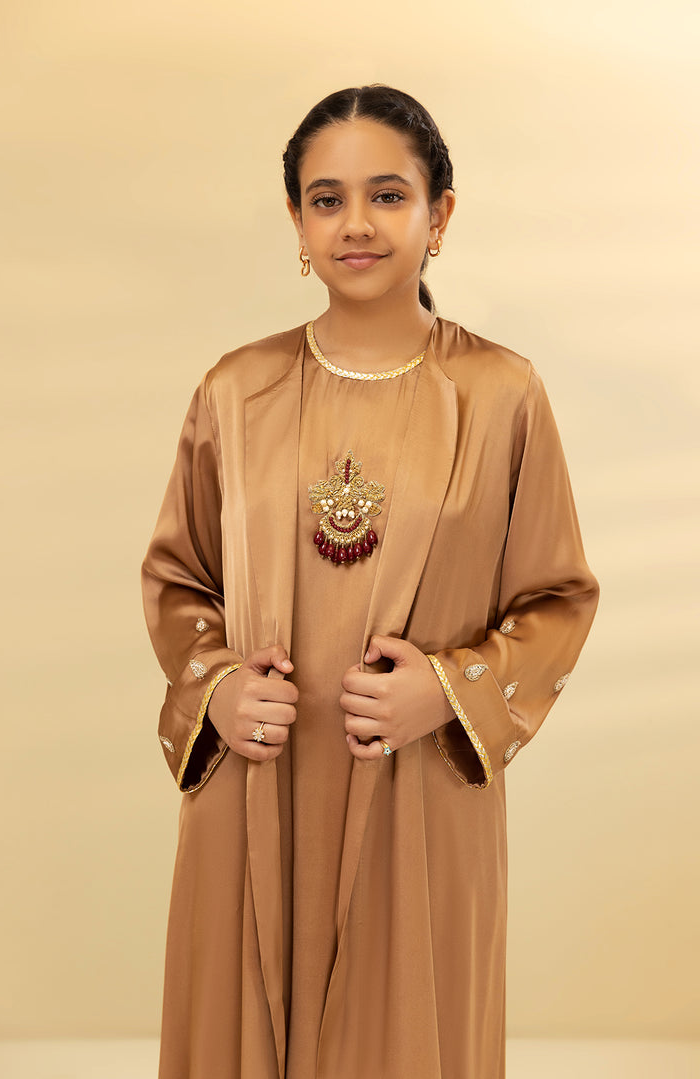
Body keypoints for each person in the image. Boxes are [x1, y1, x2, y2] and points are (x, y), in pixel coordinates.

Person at [141, 85, 599, 1079]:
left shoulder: (501, 394)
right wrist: (218, 687)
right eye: (327, 199)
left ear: (440, 214)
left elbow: (557, 595)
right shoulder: (235, 391)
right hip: (258, 780)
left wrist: (449, 688)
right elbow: (179, 576)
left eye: (388, 195)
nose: (356, 223)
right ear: (297, 223)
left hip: (419, 786)